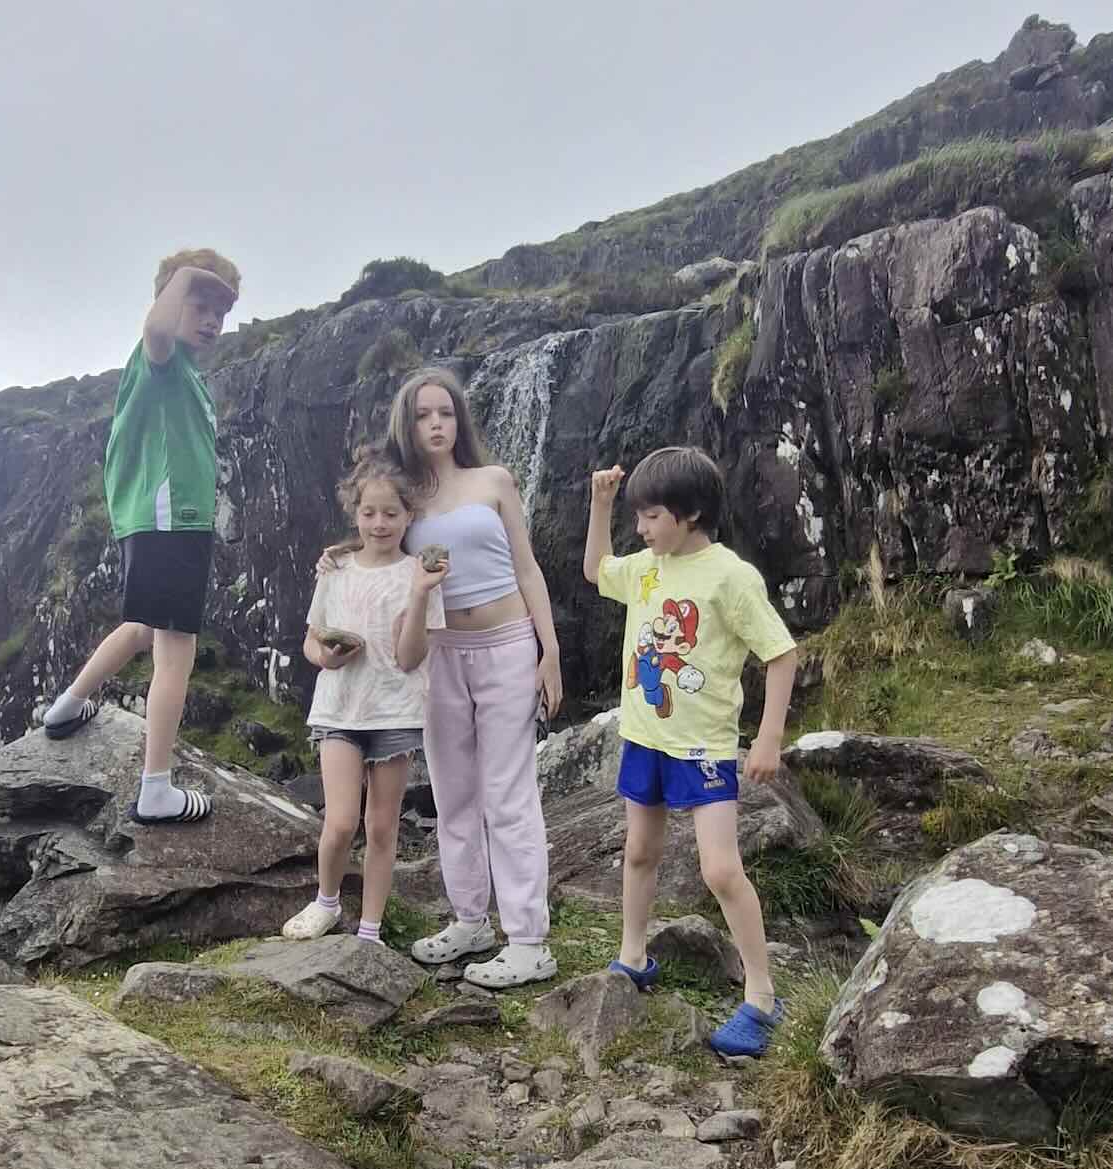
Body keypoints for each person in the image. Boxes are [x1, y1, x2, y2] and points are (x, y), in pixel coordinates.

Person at [321, 367, 563, 987]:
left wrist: (550, 650)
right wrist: (339, 554)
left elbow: (528, 569)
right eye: (424, 414)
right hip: (437, 654)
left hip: (507, 645)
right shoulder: (406, 497)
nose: (436, 424)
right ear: (407, 423)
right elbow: (375, 541)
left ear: (460, 419)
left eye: (446, 412)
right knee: (453, 793)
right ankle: (470, 920)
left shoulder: (494, 481)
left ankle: (529, 941)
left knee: (508, 792)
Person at [583, 446, 798, 1057]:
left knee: (720, 869)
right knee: (639, 850)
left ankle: (761, 997)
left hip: (703, 747)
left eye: (652, 517)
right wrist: (600, 505)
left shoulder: (730, 576)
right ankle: (633, 956)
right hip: (644, 736)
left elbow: (782, 654)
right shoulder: (648, 567)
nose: (641, 529)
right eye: (638, 517)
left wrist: (768, 737)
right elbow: (596, 571)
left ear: (692, 513)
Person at [41, 248, 239, 825]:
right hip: (171, 520)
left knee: (144, 627)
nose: (211, 320)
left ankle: (67, 706)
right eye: (199, 306)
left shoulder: (187, 373)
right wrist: (184, 276)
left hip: (165, 522)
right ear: (171, 301)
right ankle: (156, 790)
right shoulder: (163, 358)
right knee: (177, 651)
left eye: (220, 312)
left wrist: (193, 285)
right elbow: (156, 328)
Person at [282, 448, 447, 944]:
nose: (379, 523)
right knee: (338, 823)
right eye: (369, 512)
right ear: (355, 513)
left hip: (395, 712)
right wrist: (325, 657)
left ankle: (370, 930)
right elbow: (311, 640)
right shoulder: (335, 568)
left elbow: (411, 658)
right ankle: (326, 901)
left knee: (380, 827)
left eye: (391, 513)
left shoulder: (420, 574)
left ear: (409, 515)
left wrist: (419, 593)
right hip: (338, 710)